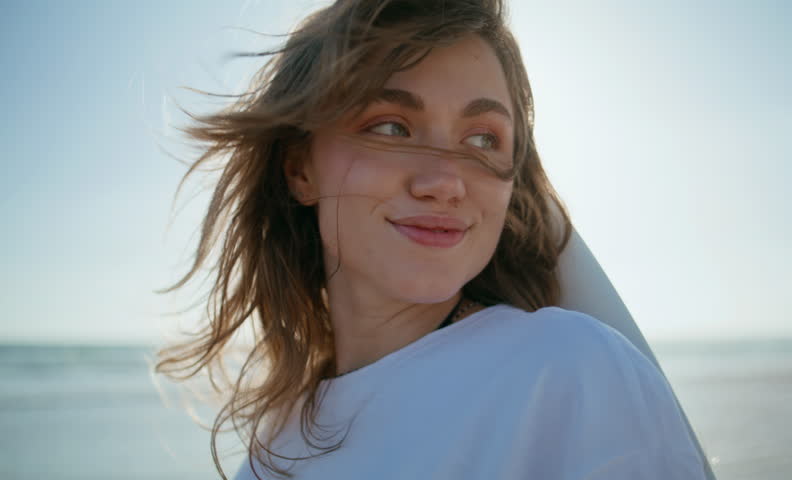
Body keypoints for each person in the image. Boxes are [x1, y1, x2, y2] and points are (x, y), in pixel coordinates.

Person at [156, 0, 710, 478]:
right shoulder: (273, 454)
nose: (445, 183)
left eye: (482, 138)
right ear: (300, 169)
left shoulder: (571, 372)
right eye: (391, 127)